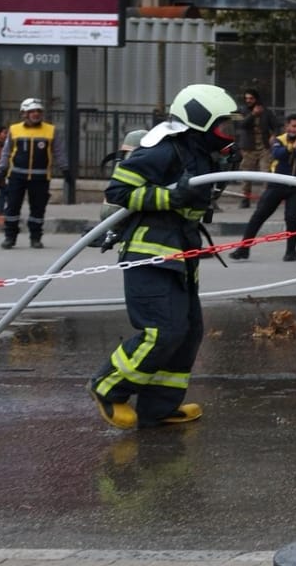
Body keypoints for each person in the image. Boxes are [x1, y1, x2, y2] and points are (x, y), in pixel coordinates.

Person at [88, 83, 240, 430]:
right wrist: (170, 197)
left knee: (187, 333)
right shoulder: (162, 149)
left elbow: (198, 194)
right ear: (200, 122)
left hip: (181, 253)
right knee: (163, 331)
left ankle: (158, 407)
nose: (226, 133)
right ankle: (107, 386)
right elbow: (119, 190)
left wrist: (220, 166)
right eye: (222, 125)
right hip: (150, 252)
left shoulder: (199, 151)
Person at [234, 113, 296, 262]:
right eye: (293, 126)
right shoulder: (278, 140)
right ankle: (243, 248)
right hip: (277, 185)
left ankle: (291, 252)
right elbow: (278, 154)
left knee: (292, 219)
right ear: (287, 127)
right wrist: (293, 148)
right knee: (259, 216)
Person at [0, 97, 67, 249]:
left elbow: (58, 151)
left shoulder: (50, 130)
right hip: (16, 177)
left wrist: (64, 168)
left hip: (40, 178)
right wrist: (2, 168)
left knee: (38, 209)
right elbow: (6, 151)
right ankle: (10, 237)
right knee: (12, 208)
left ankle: (35, 238)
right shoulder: (14, 129)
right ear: (24, 114)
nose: (36, 114)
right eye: (32, 111)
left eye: (38, 111)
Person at [233, 87, 274, 212]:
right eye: (246, 98)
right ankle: (245, 198)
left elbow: (275, 125)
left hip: (264, 147)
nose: (248, 101)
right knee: (246, 174)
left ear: (256, 99)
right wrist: (252, 115)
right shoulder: (239, 111)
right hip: (248, 147)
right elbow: (239, 125)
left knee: (266, 174)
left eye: (251, 98)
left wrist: (273, 135)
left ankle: (265, 200)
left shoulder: (266, 111)